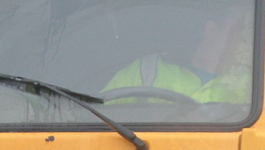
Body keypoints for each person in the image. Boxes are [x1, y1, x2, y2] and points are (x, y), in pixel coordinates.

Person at [104, 15, 252, 104]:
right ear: (212, 30)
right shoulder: (146, 70)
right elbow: (98, 116)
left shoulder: (251, 84)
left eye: (250, 30)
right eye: (241, 29)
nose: (248, 38)